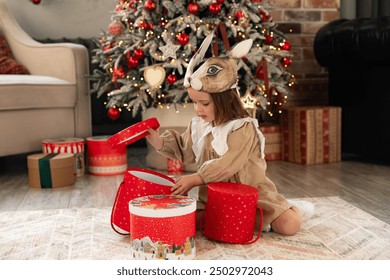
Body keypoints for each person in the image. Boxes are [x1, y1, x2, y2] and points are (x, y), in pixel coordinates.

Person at [146, 33, 302, 236]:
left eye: (204, 103)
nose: (198, 109)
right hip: (215, 197)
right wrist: (159, 141)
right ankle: (234, 219)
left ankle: (291, 210)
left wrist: (196, 178)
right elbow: (184, 148)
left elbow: (229, 164)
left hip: (253, 193)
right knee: (193, 222)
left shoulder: (242, 128)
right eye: (194, 102)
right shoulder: (200, 125)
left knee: (288, 225)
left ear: (226, 101)